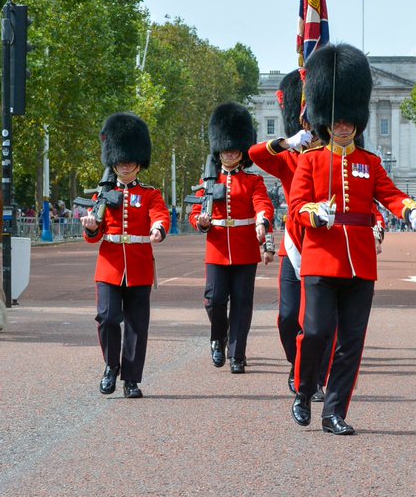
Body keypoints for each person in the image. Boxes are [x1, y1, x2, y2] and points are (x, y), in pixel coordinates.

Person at [287, 44, 416, 435]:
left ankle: (334, 412)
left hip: (360, 261)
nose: (344, 125)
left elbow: (390, 194)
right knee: (315, 332)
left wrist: (410, 209)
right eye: (337, 120)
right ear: (326, 121)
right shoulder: (310, 161)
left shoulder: (371, 164)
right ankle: (302, 390)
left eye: (349, 120)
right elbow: (296, 205)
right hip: (320, 257)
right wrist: (313, 213)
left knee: (351, 342)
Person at [248, 69, 330, 395]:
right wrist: (285, 142)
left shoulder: (333, 159)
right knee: (286, 318)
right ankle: (298, 366)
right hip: (295, 246)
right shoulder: (289, 159)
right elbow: (254, 154)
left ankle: (313, 377)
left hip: (324, 245)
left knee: (318, 322)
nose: (310, 129)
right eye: (305, 123)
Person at [80, 113, 170, 399]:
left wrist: (158, 227)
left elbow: (160, 215)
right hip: (109, 266)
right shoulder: (103, 195)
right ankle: (111, 366)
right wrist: (92, 227)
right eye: (120, 161)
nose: (125, 165)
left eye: (130, 161)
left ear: (139, 163)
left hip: (140, 266)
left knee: (136, 325)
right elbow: (93, 233)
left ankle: (131, 379)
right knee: (106, 318)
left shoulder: (150, 194)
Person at [190, 102, 275, 375]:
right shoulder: (207, 182)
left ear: (241, 151)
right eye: (225, 149)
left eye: (234, 148)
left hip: (245, 250)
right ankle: (219, 336)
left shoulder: (252, 181)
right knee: (213, 300)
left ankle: (237, 355)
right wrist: (201, 223)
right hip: (216, 248)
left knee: (241, 304)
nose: (229, 152)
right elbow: (195, 212)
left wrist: (262, 219)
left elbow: (263, 204)